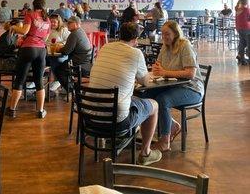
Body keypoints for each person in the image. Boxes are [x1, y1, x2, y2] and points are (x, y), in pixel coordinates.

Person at [89, 22, 162, 165]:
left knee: (128, 99)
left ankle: (123, 138)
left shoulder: (105, 47)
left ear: (119, 35)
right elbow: (146, 82)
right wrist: (153, 74)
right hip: (117, 122)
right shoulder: (136, 53)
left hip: (90, 118)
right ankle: (146, 153)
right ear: (136, 38)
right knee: (154, 105)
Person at [150, 20, 204, 152]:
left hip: (192, 88)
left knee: (163, 100)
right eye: (162, 34)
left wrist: (164, 72)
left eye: (167, 34)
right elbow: (158, 65)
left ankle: (165, 141)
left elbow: (191, 73)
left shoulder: (184, 45)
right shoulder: (165, 46)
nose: (164, 37)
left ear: (176, 33)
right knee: (147, 95)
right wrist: (157, 69)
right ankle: (172, 125)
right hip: (174, 85)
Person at [6, 0, 50, 119]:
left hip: (28, 49)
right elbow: (45, 39)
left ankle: (12, 109)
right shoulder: (47, 20)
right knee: (39, 81)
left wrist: (14, 28)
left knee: (20, 80)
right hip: (41, 50)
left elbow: (24, 31)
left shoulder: (30, 14)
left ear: (34, 5)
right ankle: (40, 111)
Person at [54, 16, 92, 96]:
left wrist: (58, 49)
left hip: (79, 64)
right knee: (62, 65)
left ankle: (71, 91)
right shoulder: (81, 31)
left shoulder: (74, 34)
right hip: (86, 63)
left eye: (69, 23)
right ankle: (69, 88)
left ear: (75, 24)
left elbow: (66, 51)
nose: (67, 25)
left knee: (58, 70)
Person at [45, 14, 70, 92]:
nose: (52, 24)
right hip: (47, 53)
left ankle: (58, 81)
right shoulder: (46, 30)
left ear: (59, 22)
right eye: (51, 22)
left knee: (56, 61)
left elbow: (69, 41)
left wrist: (61, 44)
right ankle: (35, 82)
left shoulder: (63, 30)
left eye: (54, 22)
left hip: (60, 54)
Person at [235, 0, 250, 65]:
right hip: (246, 29)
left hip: (239, 29)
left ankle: (241, 57)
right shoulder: (247, 9)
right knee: (248, 44)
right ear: (247, 3)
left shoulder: (238, 10)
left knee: (242, 43)